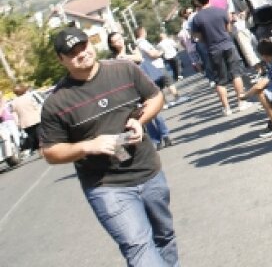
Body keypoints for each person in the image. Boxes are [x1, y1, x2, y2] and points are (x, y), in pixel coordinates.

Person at [40, 27, 179, 266]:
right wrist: (87, 146)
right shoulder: (56, 103)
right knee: (138, 246)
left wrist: (139, 120)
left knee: (164, 236)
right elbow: (51, 152)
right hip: (107, 186)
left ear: (91, 44)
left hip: (148, 171)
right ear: (61, 59)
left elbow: (155, 97)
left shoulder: (123, 70)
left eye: (83, 46)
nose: (81, 53)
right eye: (72, 52)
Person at [190, 0, 250, 116]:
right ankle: (241, 102)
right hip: (227, 44)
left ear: (198, 2)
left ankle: (226, 108)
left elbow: (197, 37)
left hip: (212, 49)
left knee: (219, 80)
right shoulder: (221, 11)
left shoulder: (197, 18)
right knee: (236, 74)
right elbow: (228, 28)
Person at [108, 31, 172, 149]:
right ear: (112, 45)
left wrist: (126, 57)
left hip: (142, 83)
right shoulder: (112, 58)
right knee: (142, 114)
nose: (119, 41)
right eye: (115, 41)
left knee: (154, 111)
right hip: (129, 87)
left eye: (120, 38)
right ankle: (156, 140)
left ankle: (165, 135)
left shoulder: (131, 47)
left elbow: (139, 58)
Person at [134, 27, 185, 108]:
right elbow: (152, 54)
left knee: (158, 86)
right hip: (156, 65)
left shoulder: (137, 44)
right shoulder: (142, 42)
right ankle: (177, 98)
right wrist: (160, 53)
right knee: (168, 81)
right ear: (142, 32)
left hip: (151, 67)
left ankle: (164, 103)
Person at [11, 84, 42, 157]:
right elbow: (36, 107)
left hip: (25, 122)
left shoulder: (14, 102)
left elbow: (15, 115)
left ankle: (39, 151)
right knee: (39, 135)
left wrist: (17, 124)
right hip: (36, 119)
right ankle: (43, 149)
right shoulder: (29, 97)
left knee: (32, 137)